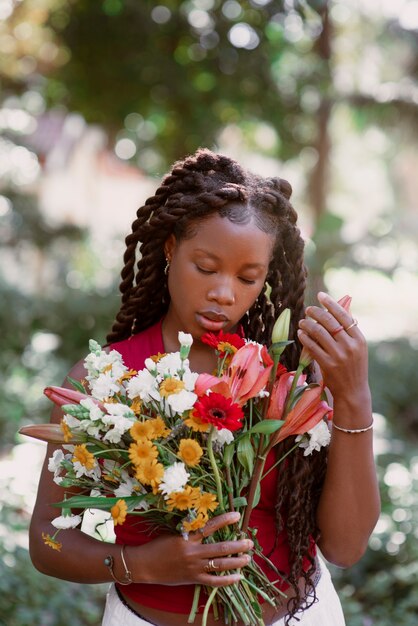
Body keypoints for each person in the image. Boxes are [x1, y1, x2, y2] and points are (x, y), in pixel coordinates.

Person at [29, 148, 380, 626]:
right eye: (207, 267)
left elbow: (345, 547)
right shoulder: (102, 379)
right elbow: (47, 542)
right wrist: (144, 565)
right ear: (171, 249)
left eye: (247, 277)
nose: (224, 292)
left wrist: (354, 399)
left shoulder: (287, 376)